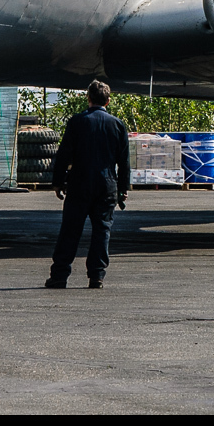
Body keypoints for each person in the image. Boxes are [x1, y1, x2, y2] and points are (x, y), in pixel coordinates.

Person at [46, 80, 130, 289]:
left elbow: (64, 154)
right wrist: (123, 188)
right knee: (102, 230)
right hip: (107, 183)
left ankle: (59, 275)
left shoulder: (76, 122)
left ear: (88, 98)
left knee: (70, 229)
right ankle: (97, 275)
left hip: (80, 182)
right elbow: (124, 161)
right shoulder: (118, 125)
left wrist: (57, 182)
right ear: (108, 101)